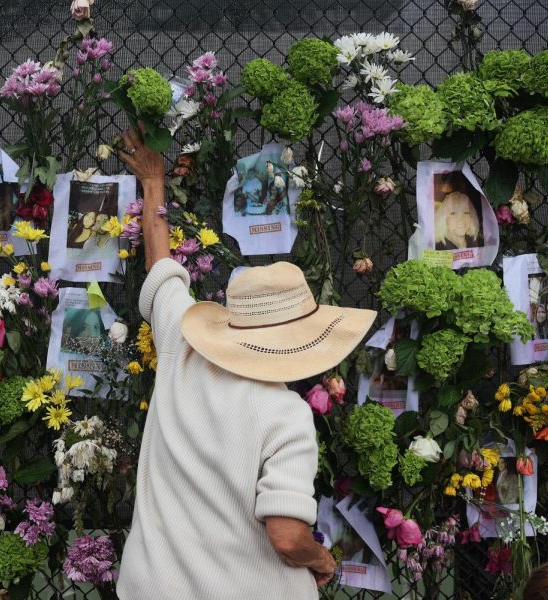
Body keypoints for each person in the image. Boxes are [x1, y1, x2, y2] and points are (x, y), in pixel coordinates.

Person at [115, 125, 376, 600]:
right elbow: (286, 536)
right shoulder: (286, 416)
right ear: (301, 343)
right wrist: (322, 560)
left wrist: (153, 181)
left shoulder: (183, 346)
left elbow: (161, 268)